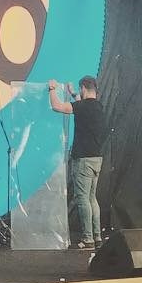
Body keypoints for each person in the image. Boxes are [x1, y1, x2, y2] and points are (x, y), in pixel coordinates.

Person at [47, 76, 106, 250]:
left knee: (83, 199)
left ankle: (88, 239)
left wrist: (52, 89)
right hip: (96, 158)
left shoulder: (82, 107)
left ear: (83, 88)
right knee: (92, 198)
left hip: (83, 160)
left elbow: (57, 106)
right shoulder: (98, 107)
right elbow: (81, 105)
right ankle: (97, 237)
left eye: (80, 90)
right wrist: (73, 94)